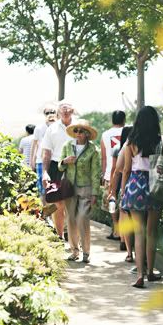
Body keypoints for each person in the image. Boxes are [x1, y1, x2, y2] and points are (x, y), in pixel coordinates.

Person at [120, 106, 163, 288]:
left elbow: (126, 169)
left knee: (139, 232)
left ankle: (140, 275)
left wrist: (123, 190)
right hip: (155, 185)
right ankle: (151, 272)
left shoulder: (131, 141)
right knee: (151, 232)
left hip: (136, 185)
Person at [57, 118, 100, 262]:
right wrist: (64, 161)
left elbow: (95, 172)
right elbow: (59, 166)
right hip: (69, 187)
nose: (78, 133)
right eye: (76, 130)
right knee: (71, 219)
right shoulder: (67, 145)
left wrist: (95, 193)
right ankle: (74, 251)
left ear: (87, 134)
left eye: (81, 131)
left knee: (82, 218)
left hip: (86, 188)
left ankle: (86, 252)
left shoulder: (93, 149)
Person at [41, 101, 75, 241]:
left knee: (73, 206)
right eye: (63, 110)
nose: (65, 112)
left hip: (75, 167)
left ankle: (74, 240)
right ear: (58, 112)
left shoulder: (79, 127)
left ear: (73, 111)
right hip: (56, 167)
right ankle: (60, 237)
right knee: (58, 205)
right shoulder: (52, 129)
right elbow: (46, 153)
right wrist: (44, 172)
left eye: (68, 110)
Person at [108, 125, 133, 261]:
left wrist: (112, 188)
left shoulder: (120, 147)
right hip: (133, 182)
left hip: (120, 182)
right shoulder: (138, 144)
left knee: (122, 212)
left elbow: (115, 169)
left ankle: (122, 239)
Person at [100, 110, 126, 241]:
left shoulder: (105, 134)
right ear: (124, 120)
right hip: (127, 173)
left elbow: (104, 158)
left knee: (112, 202)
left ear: (112, 120)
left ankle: (116, 229)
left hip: (110, 173)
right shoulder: (129, 132)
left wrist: (103, 173)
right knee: (124, 205)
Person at [30, 105, 57, 205]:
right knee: (42, 188)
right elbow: (34, 144)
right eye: (47, 113)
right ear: (44, 115)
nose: (50, 114)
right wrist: (32, 161)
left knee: (54, 188)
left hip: (55, 161)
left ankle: (54, 215)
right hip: (41, 161)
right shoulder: (39, 128)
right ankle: (46, 215)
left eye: (52, 112)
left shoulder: (59, 127)